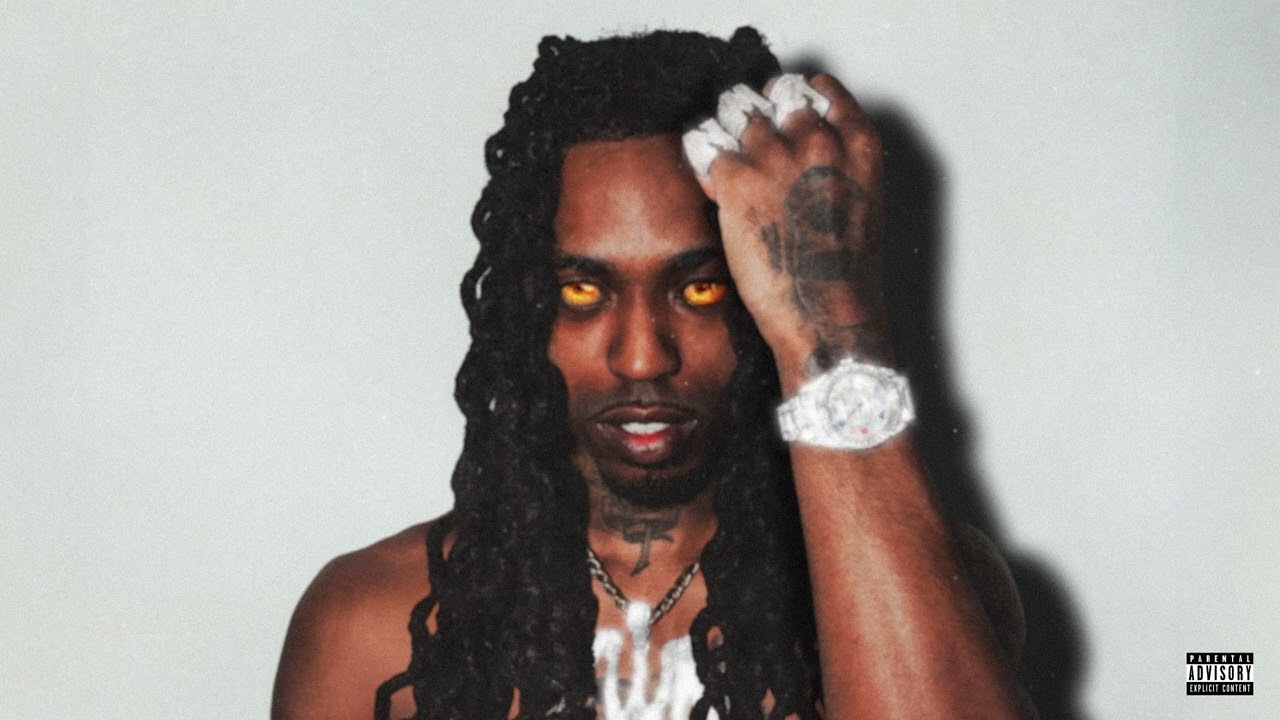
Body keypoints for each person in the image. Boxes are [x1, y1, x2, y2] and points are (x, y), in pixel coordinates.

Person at [272, 27, 1032, 720]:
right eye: (583, 292)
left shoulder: (921, 580)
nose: (642, 357)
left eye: (700, 289)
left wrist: (828, 315)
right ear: (526, 310)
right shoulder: (370, 621)